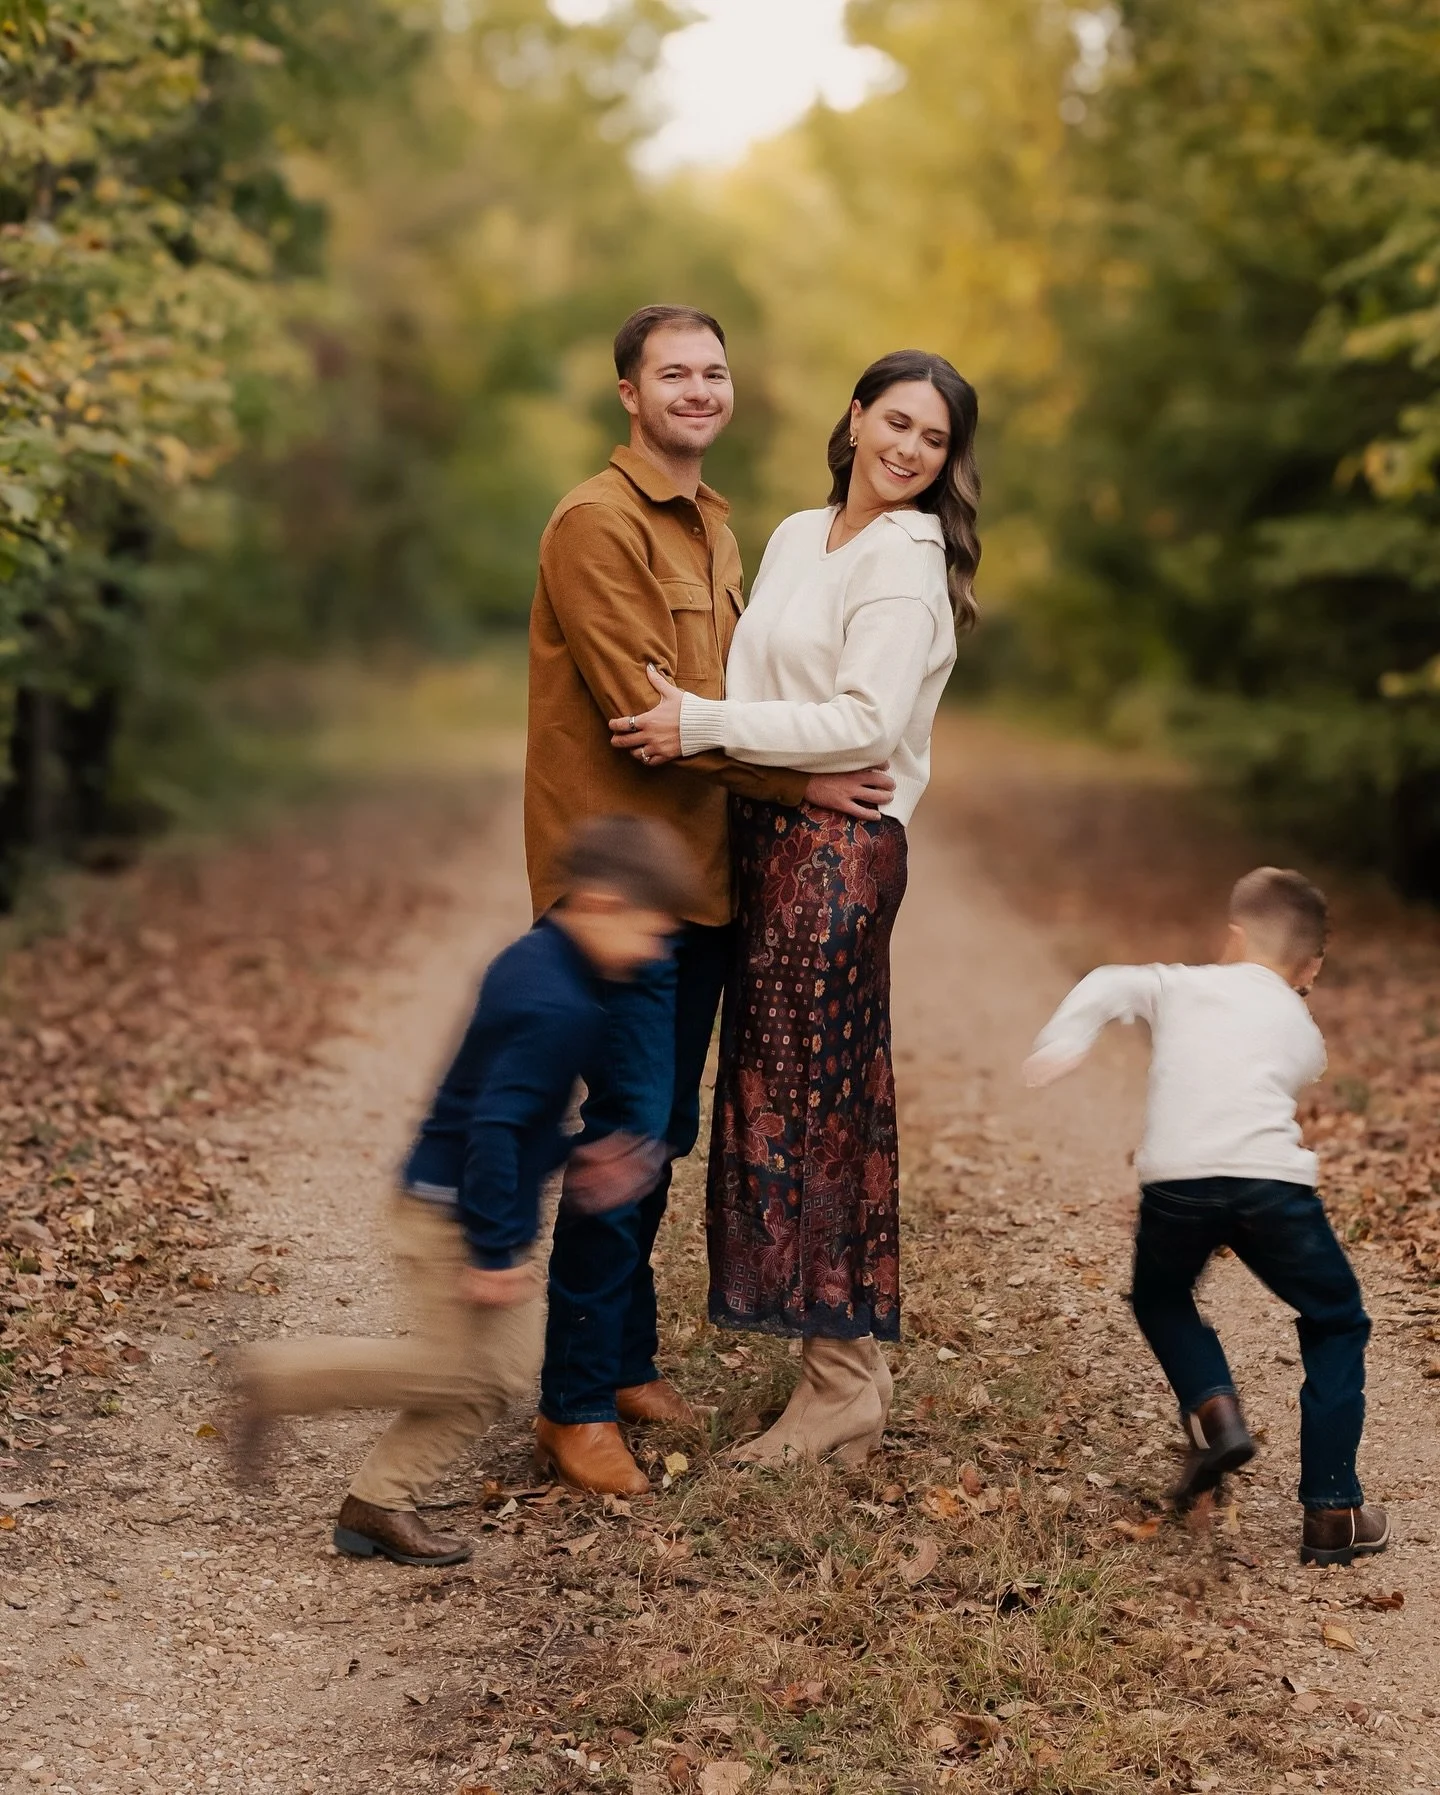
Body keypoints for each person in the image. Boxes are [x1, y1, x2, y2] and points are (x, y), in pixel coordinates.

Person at [525, 304, 894, 1496]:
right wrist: (808, 776)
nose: (697, 388)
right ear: (626, 393)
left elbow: (724, 697)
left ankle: (624, 1359)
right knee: (626, 1129)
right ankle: (573, 1402)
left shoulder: (720, 531)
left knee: (663, 1128)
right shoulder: (596, 523)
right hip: (619, 889)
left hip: (707, 878)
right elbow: (652, 717)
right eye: (671, 373)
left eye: (713, 371)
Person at [613, 349, 979, 1465]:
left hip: (839, 856)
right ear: (856, 414)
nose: (910, 449)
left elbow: (865, 725)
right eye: (898, 422)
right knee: (777, 1097)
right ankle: (841, 1372)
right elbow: (768, 694)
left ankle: (838, 1387)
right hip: (771, 838)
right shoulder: (791, 534)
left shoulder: (905, 564)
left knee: (815, 1107)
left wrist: (704, 725)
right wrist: (729, 730)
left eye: (935, 439)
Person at [232, 817, 699, 1567]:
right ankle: (279, 1377)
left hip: (461, 1200)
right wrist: (491, 1248)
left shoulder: (542, 960)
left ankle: (378, 1502)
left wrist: (584, 1153)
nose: (655, 952)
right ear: (603, 903)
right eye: (651, 932)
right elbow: (496, 1128)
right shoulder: (560, 1004)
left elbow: (511, 1110)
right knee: (470, 1371)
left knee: (498, 1374)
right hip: (454, 1212)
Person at [1023, 866, 1389, 1567]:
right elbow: (1304, 1065)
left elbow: (1105, 981)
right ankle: (1334, 1508)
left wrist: (1066, 1040)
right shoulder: (1298, 1015)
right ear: (1309, 965)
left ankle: (1215, 1410)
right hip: (1270, 1186)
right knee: (1337, 1317)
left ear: (1233, 935)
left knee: (1162, 1295)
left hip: (1178, 1181)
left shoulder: (1180, 982)